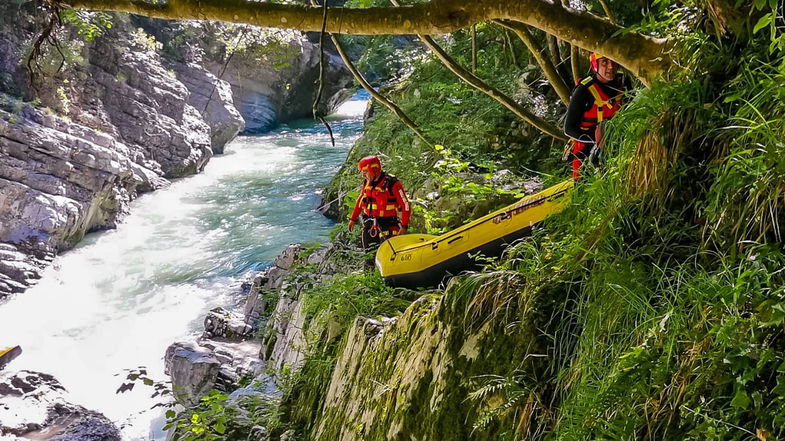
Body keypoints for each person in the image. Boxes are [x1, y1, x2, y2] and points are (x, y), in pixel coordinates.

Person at [563, 52, 630, 180]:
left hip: (618, 144)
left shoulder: (624, 82)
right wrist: (598, 140)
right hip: (587, 151)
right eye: (604, 62)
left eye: (613, 61)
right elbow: (569, 128)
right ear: (595, 64)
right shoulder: (583, 90)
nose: (611, 67)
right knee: (585, 190)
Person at [348, 155, 411, 249]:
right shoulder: (367, 183)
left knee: (387, 251)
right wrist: (353, 219)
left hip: (388, 223)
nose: (363, 175)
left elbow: (405, 204)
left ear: (374, 170)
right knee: (369, 252)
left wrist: (404, 226)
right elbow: (361, 200)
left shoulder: (392, 183)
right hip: (370, 223)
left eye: (365, 172)